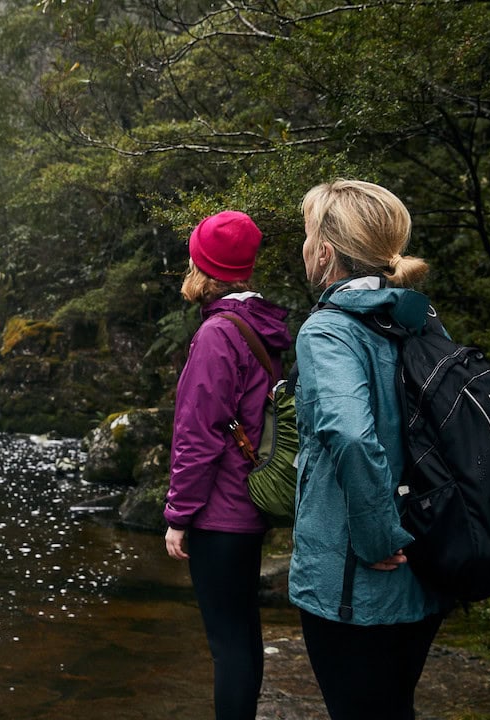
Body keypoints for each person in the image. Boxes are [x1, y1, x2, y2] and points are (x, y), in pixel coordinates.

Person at [289, 179, 449, 720]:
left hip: (357, 582)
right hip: (424, 567)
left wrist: (377, 536)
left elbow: (353, 436)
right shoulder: (417, 318)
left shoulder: (328, 332)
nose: (304, 246)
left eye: (308, 235)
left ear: (325, 253)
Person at [164, 210, 293, 720]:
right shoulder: (259, 323)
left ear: (202, 265)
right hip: (249, 504)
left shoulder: (218, 333)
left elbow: (199, 435)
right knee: (242, 634)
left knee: (229, 644)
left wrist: (178, 514)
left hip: (220, 513)